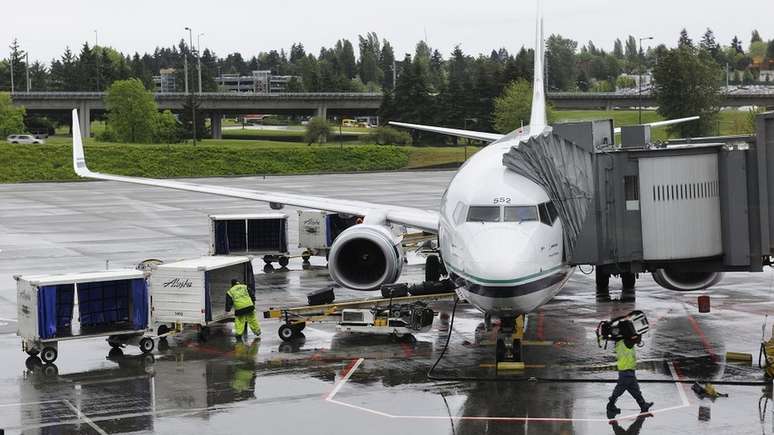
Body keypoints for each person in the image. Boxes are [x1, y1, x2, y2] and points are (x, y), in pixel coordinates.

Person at [607, 334, 653, 417]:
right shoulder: (626, 342)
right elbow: (637, 340)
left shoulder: (621, 342)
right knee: (619, 389)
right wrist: (639, 333)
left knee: (635, 389)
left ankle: (643, 405)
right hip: (626, 370)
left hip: (629, 370)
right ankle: (610, 405)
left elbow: (634, 340)